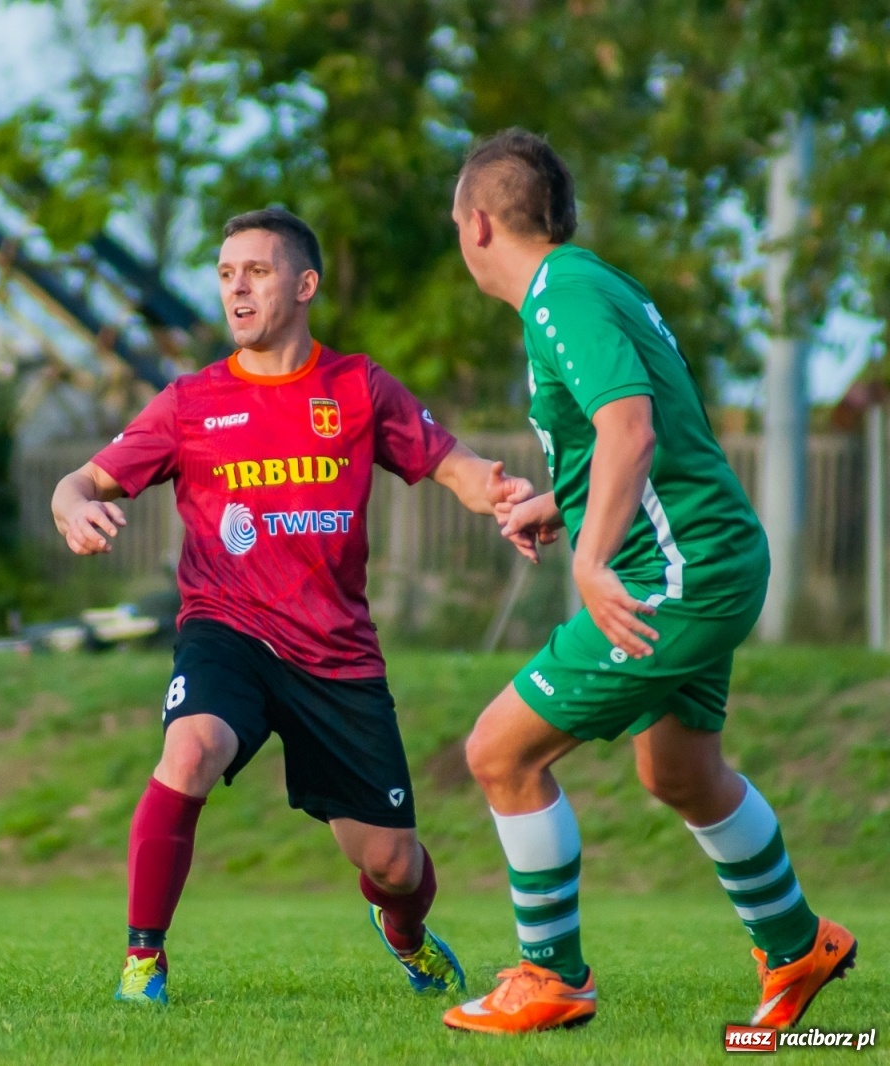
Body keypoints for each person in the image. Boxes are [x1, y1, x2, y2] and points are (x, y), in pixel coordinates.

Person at [52, 207, 535, 1006]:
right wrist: (72, 506)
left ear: (304, 285)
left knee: (393, 866)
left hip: (336, 656)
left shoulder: (357, 387)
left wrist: (504, 493)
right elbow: (83, 481)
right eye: (226, 273)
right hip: (226, 632)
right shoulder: (190, 404)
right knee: (190, 751)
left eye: (258, 271)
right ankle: (144, 962)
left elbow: (457, 467)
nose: (237, 289)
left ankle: (405, 934)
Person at [441, 129, 857, 1035]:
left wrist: (590, 561)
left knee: (499, 752)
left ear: (478, 226)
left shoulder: (560, 295)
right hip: (709, 555)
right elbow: (641, 431)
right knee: (679, 769)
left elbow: (632, 428)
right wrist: (567, 501)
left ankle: (552, 977)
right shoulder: (596, 282)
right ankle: (796, 945)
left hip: (676, 570)